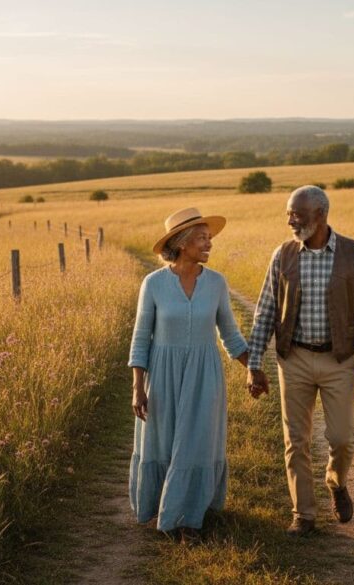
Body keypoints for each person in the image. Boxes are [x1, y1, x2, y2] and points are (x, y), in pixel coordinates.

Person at [246, 185, 354, 536]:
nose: (291, 220)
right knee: (296, 440)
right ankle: (303, 515)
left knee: (342, 438)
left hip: (339, 360)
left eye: (297, 213)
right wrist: (255, 363)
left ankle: (336, 483)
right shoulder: (283, 254)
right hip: (294, 358)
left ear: (320, 215)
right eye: (288, 213)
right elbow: (265, 311)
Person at [128, 207, 250, 543]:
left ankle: (187, 519)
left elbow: (231, 336)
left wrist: (253, 369)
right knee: (165, 440)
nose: (209, 244)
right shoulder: (153, 284)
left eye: (209, 238)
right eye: (202, 238)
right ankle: (161, 504)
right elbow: (141, 339)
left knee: (196, 443)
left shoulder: (216, 283)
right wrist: (138, 388)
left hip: (204, 375)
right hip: (162, 374)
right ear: (182, 244)